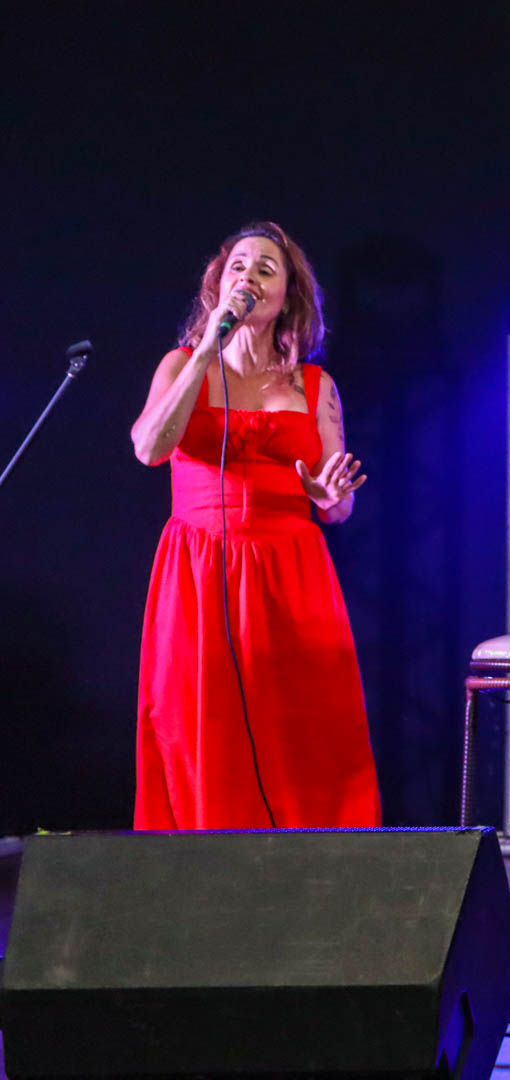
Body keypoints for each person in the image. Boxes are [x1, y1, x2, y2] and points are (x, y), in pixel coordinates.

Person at [130, 221, 379, 829]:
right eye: (238, 267)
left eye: (266, 270)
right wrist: (205, 352)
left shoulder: (314, 386)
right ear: (218, 286)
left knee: (302, 729)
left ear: (287, 297)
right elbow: (149, 448)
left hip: (290, 570)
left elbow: (338, 505)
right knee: (197, 723)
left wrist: (330, 497)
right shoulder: (181, 364)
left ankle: (315, 867)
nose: (248, 278)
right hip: (199, 567)